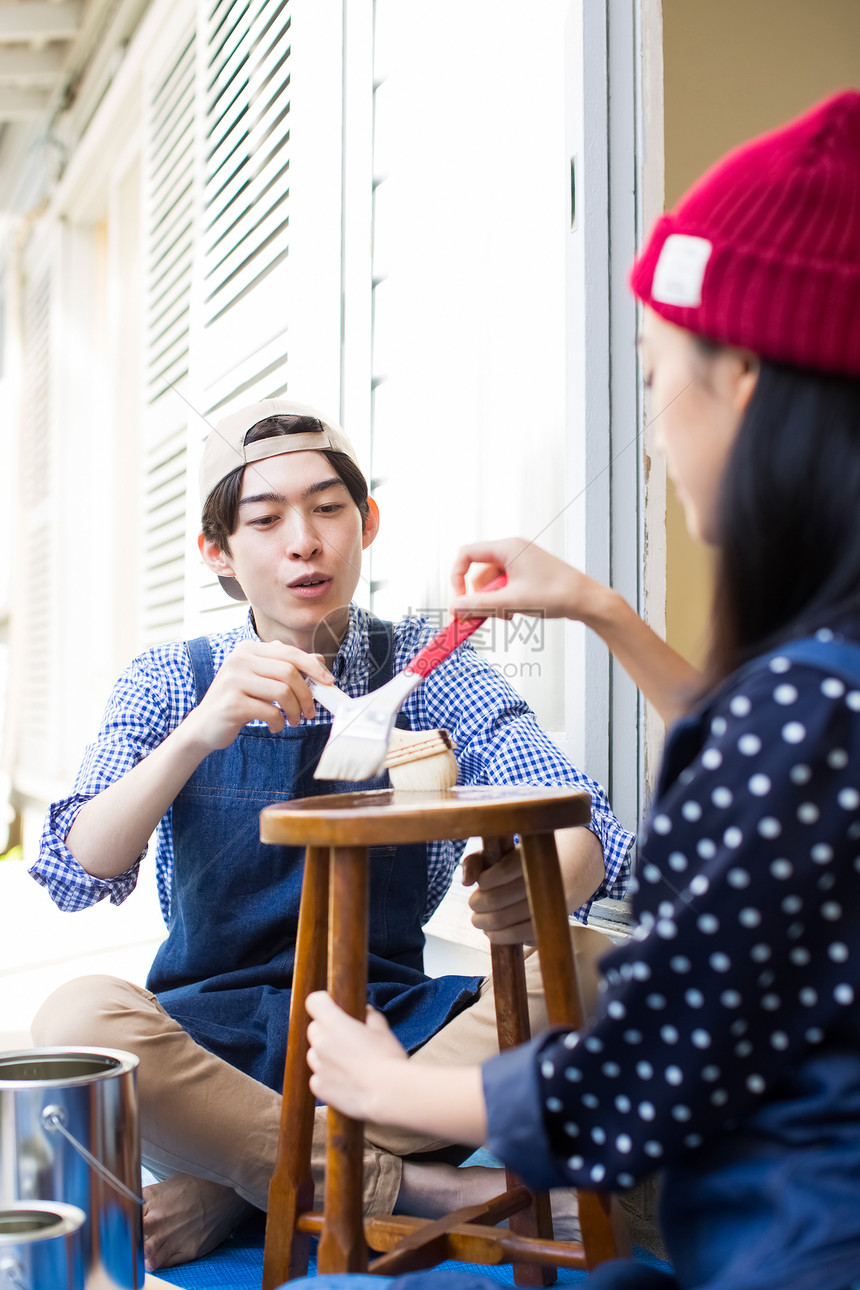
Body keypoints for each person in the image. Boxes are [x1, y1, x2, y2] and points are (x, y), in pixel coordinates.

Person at [305, 91, 860, 1290]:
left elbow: (640, 1072)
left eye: (656, 377)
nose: (653, 435)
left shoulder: (785, 714)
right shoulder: (807, 697)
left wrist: (383, 1088)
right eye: (266, 517)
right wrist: (598, 607)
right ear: (217, 551)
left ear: (748, 381)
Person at [29, 397, 633, 1271]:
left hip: (390, 1029)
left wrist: (545, 882)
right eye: (265, 519)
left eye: (327, 509)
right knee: (75, 1017)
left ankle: (242, 1184)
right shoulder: (171, 678)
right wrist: (197, 732)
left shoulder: (428, 666)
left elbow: (584, 826)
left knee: (592, 963)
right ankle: (404, 1184)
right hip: (209, 1049)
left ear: (366, 522)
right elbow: (78, 867)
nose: (303, 541)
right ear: (218, 554)